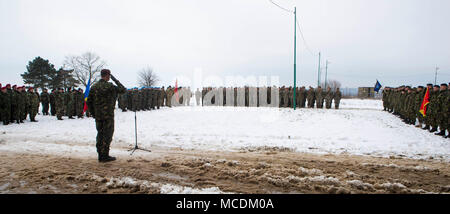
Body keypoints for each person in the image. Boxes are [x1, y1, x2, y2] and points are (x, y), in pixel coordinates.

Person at [87, 69, 126, 163]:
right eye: (109, 75)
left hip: (98, 116)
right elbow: (123, 89)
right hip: (108, 115)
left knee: (100, 134)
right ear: (108, 76)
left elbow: (89, 102)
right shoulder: (110, 86)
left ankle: (100, 154)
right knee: (107, 135)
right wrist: (115, 80)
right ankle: (105, 155)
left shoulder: (94, 87)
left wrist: (93, 113)